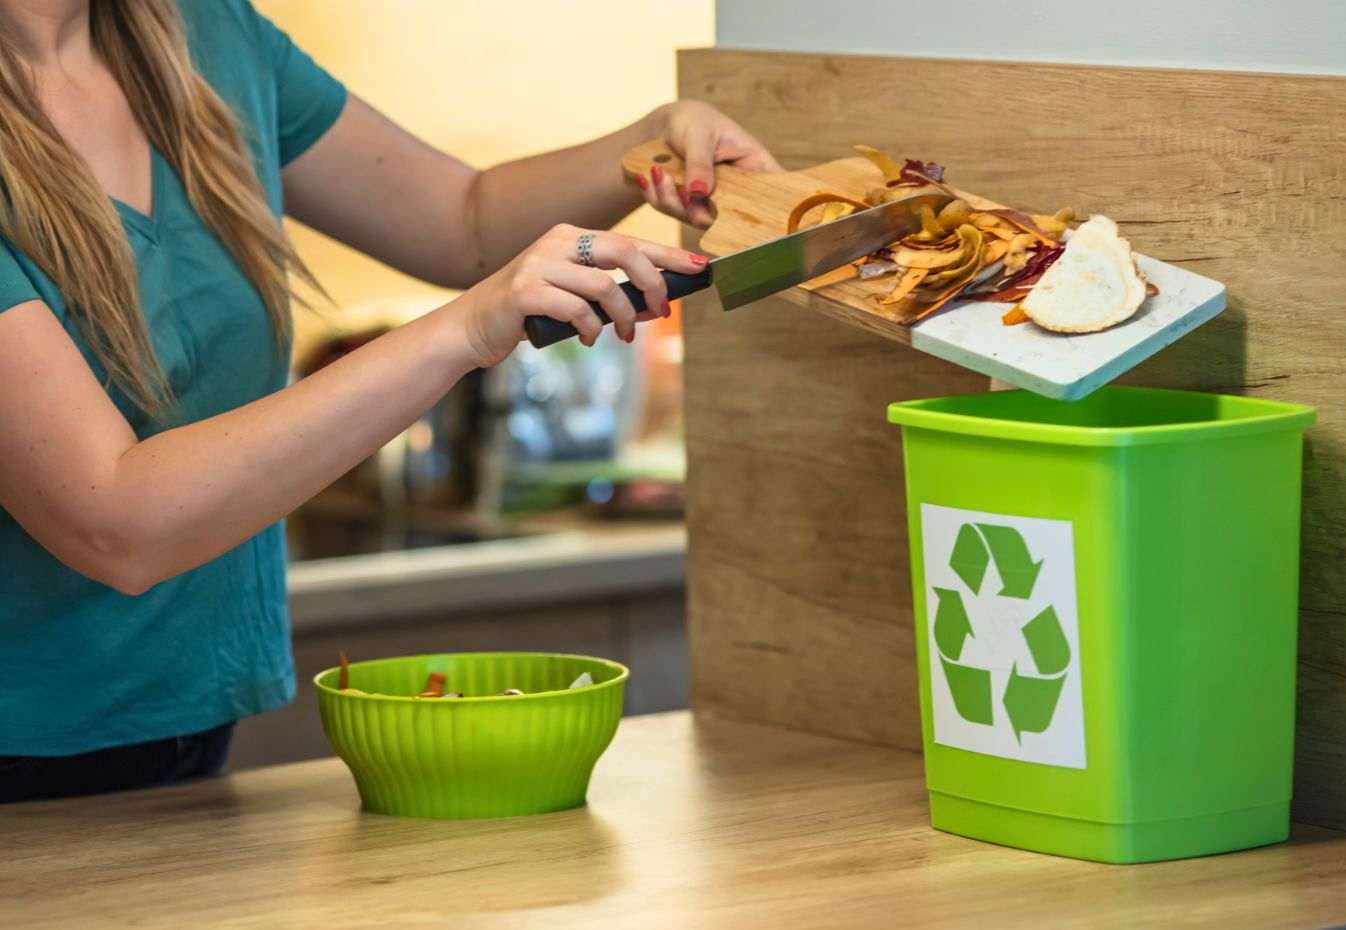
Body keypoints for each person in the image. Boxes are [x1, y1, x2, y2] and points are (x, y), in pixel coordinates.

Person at [0, 0, 780, 802]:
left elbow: (462, 222)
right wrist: (469, 328)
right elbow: (114, 521)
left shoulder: (205, 33)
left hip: (183, 722)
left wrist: (656, 134)